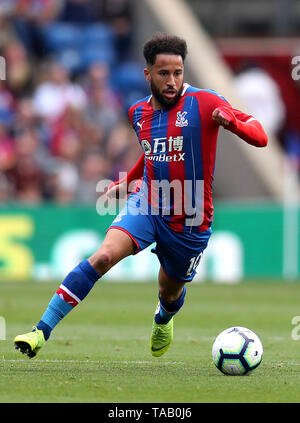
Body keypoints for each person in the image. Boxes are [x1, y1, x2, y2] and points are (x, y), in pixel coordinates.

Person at [14, 33, 268, 359]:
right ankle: (40, 332)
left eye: (178, 72)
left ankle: (163, 317)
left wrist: (233, 122)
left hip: (191, 216)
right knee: (103, 256)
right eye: (164, 73)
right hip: (148, 202)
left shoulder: (205, 102)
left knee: (169, 290)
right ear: (148, 75)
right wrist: (129, 181)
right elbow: (151, 154)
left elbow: (260, 137)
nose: (172, 80)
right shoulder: (137, 113)